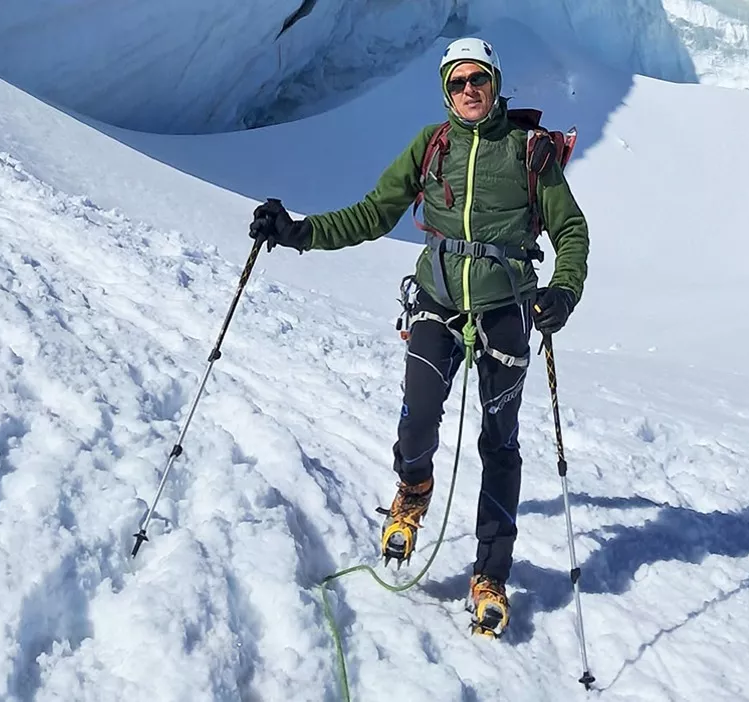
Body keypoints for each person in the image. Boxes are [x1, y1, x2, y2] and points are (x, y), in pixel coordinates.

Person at [248, 37, 589, 637]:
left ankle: (490, 574)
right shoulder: (431, 147)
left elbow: (571, 230)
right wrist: (299, 232)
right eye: (457, 83)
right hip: (437, 300)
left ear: (495, 81)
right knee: (418, 419)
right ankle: (414, 488)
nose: (468, 92)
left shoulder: (529, 151)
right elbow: (372, 212)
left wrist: (562, 290)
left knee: (500, 443)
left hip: (507, 307)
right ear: (445, 91)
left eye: (477, 80)